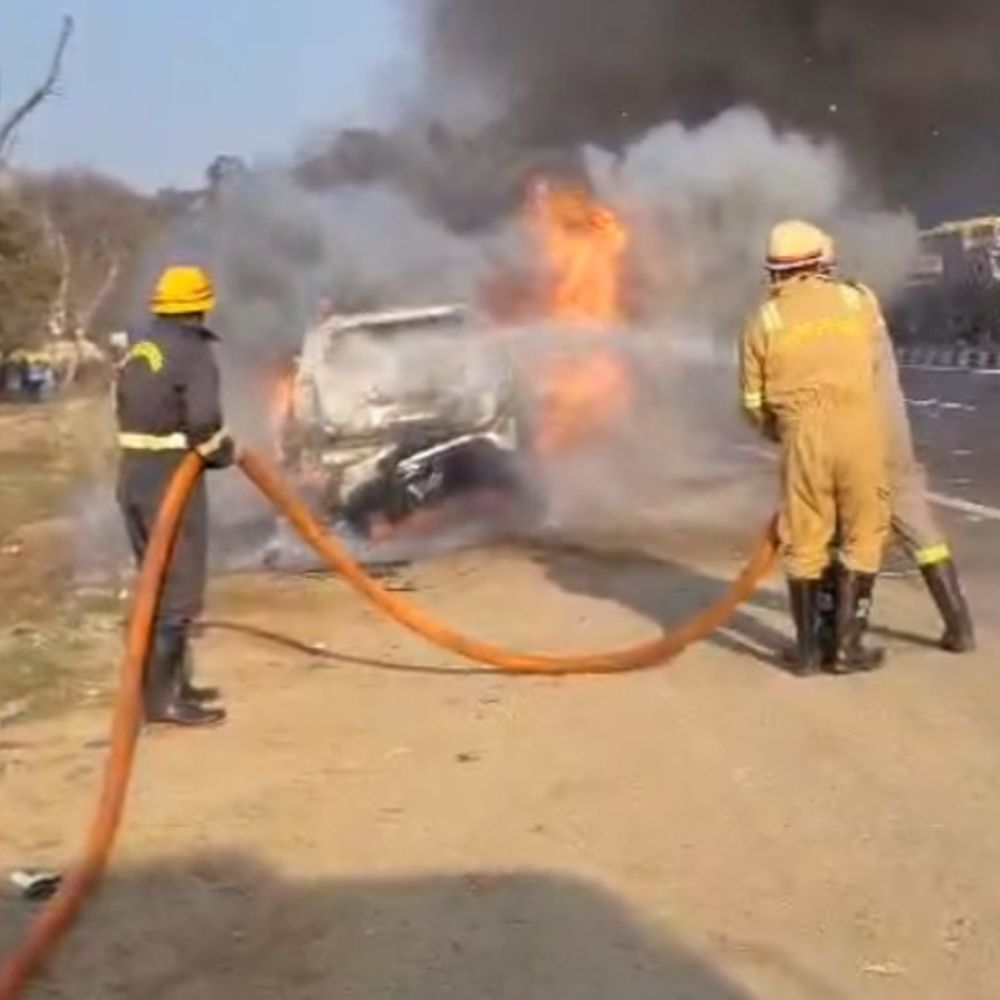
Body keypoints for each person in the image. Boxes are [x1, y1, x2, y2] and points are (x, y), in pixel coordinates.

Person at [740, 220, 890, 675]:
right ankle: (846, 648)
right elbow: (874, 356)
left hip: (801, 435)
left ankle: (806, 653)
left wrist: (779, 431)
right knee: (864, 533)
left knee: (804, 538)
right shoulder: (856, 299)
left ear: (774, 271)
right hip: (859, 428)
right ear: (821, 261)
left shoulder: (762, 319)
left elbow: (752, 401)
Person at [817, 237, 976, 653]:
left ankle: (843, 639)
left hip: (855, 437)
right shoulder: (860, 298)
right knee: (918, 525)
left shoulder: (819, 315)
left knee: (850, 533)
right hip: (892, 432)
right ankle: (959, 626)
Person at [115, 265, 234, 727]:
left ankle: (171, 687)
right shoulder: (193, 351)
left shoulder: (142, 347)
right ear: (200, 306)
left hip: (134, 478)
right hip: (170, 478)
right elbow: (203, 420)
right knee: (180, 588)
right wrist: (221, 453)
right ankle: (162, 702)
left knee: (155, 584)